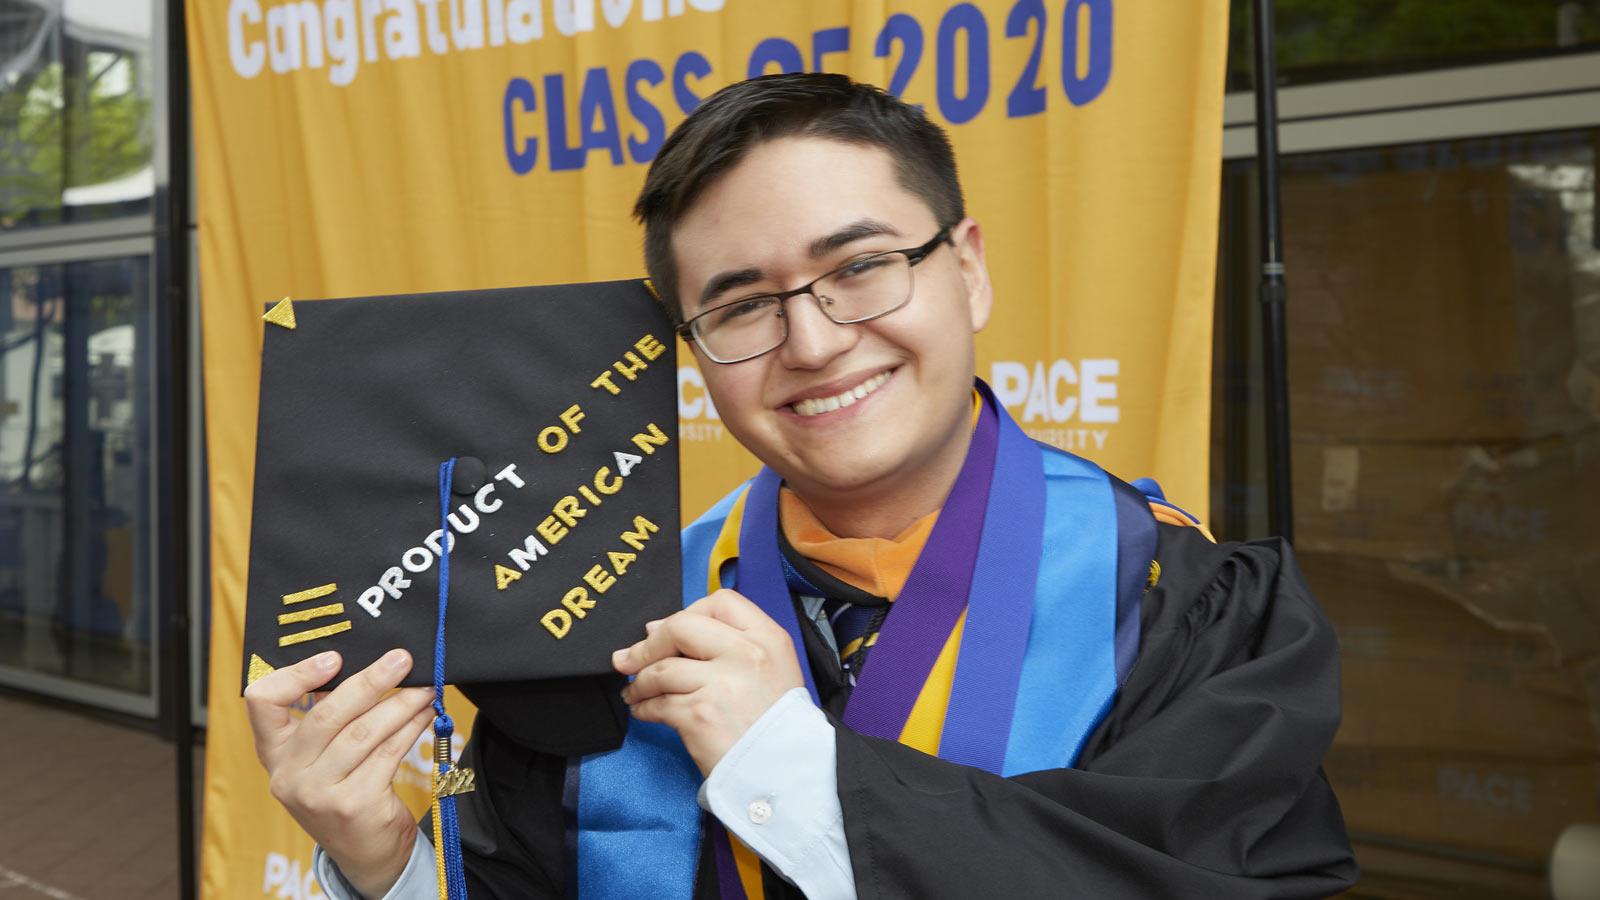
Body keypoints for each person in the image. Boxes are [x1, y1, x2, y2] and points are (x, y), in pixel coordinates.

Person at [244, 73, 1357, 899]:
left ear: (965, 268)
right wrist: (379, 865)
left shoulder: (1185, 607)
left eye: (861, 266)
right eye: (739, 306)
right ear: (690, 346)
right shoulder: (605, 631)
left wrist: (795, 771)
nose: (815, 343)